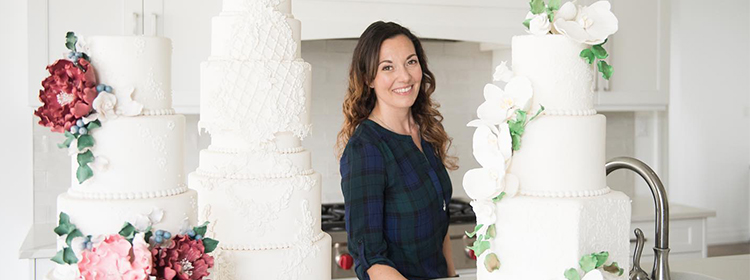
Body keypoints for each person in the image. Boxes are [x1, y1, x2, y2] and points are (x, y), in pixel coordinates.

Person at [336, 21, 459, 280]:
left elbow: (441, 222)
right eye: (387, 67)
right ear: (369, 78)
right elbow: (371, 260)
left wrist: (452, 276)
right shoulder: (366, 149)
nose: (404, 76)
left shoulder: (424, 131)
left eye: (411, 62)